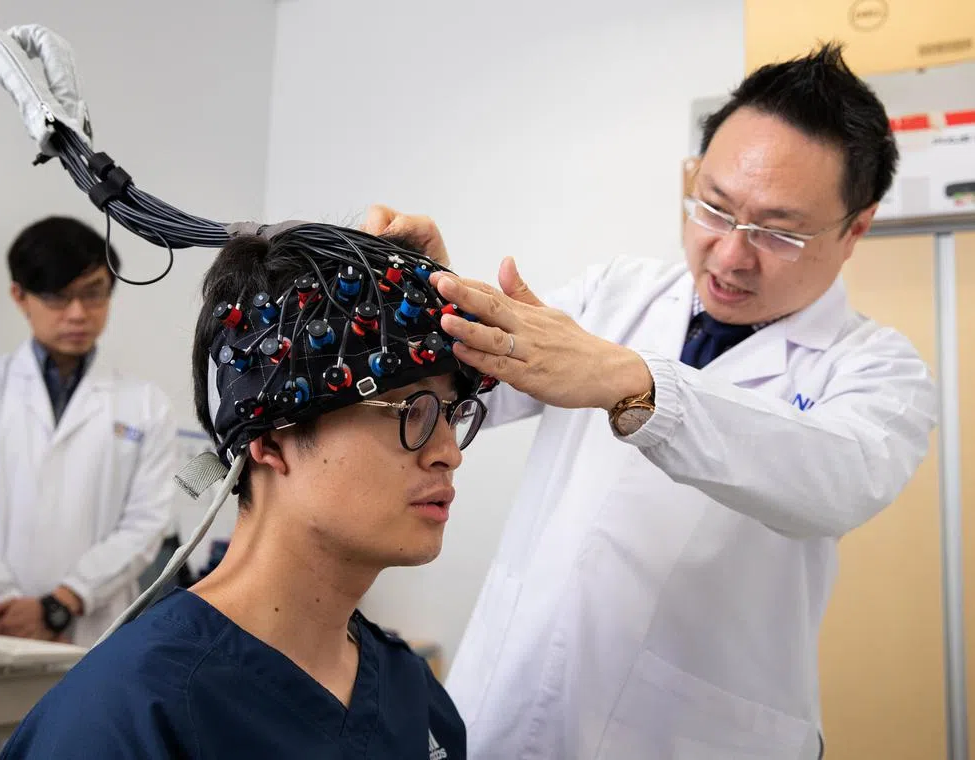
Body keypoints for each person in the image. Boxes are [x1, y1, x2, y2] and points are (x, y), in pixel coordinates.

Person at [363, 44, 937, 759]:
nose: (729, 255)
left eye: (779, 232)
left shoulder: (880, 370)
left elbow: (837, 481)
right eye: (715, 208)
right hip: (506, 709)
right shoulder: (616, 294)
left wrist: (635, 385)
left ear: (855, 229)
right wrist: (428, 298)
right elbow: (468, 389)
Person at [0, 223, 492, 758]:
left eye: (451, 412)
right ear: (271, 439)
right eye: (411, 411)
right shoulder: (125, 714)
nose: (449, 451)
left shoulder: (415, 697)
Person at [0, 216, 177, 647]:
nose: (78, 313)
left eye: (93, 294)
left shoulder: (146, 405)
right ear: (20, 296)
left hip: (90, 631)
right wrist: (13, 608)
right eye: (58, 296)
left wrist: (61, 603)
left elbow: (147, 524)